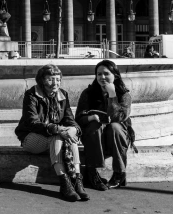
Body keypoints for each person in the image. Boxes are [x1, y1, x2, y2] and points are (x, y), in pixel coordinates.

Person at [14, 64, 89, 202]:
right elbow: (32, 122)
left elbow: (69, 119)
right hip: (30, 137)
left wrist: (74, 129)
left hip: (55, 139)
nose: (55, 83)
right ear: (42, 80)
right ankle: (65, 182)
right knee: (57, 135)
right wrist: (58, 129)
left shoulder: (63, 94)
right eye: (50, 79)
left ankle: (77, 181)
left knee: (69, 137)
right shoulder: (31, 95)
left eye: (57, 79)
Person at [76, 60, 136, 191]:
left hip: (116, 137)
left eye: (106, 74)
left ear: (115, 75)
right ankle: (92, 172)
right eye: (99, 74)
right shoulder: (88, 93)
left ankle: (119, 174)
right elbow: (79, 118)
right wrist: (91, 118)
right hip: (95, 137)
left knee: (115, 127)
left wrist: (112, 95)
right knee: (94, 126)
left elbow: (119, 117)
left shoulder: (124, 95)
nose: (102, 77)